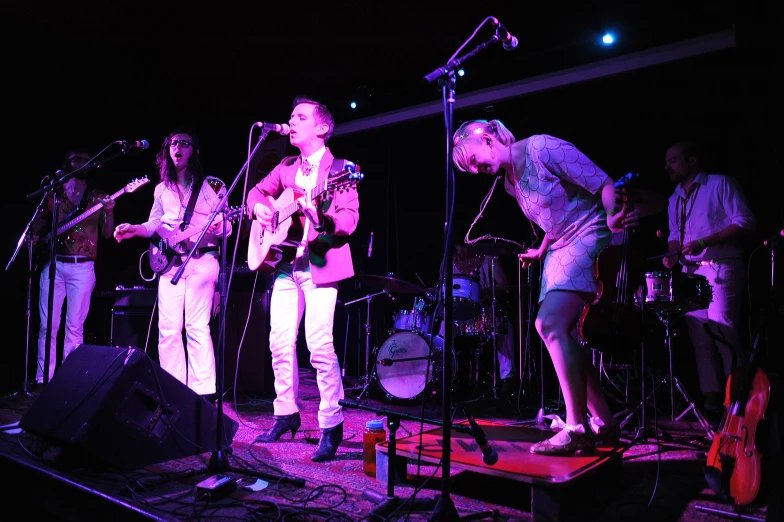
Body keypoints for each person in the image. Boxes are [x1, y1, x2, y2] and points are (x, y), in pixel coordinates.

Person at [452, 120, 639, 455]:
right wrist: (541, 249)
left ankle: (577, 427)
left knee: (549, 324)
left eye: (476, 161)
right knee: (559, 333)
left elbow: (603, 184)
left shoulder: (542, 148)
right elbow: (553, 217)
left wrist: (613, 214)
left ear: (488, 138)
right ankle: (606, 424)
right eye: (473, 169)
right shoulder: (510, 184)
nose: (479, 170)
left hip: (592, 228)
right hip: (559, 246)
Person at [246, 96, 359, 462]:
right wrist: (261, 207)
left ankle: (331, 423)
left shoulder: (340, 169)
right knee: (279, 342)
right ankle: (285, 413)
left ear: (322, 127)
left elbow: (349, 219)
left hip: (320, 265)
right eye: (291, 116)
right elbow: (256, 193)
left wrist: (321, 219)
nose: (291, 121)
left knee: (319, 345)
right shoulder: (285, 166)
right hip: (284, 266)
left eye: (300, 117)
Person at [113, 130, 230, 401]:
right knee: (168, 330)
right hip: (170, 265)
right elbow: (155, 224)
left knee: (197, 327)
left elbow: (229, 225)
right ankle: (173, 390)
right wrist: (135, 229)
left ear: (195, 151)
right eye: (173, 143)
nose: (177, 147)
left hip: (202, 261)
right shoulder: (161, 188)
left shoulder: (212, 185)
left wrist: (220, 226)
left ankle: (202, 395)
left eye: (184, 143)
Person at [661, 141, 755, 419]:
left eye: (673, 160)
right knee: (700, 337)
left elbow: (745, 221)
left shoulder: (720, 184)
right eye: (666, 162)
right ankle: (712, 402)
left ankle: (739, 402)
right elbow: (674, 237)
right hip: (691, 272)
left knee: (723, 333)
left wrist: (703, 241)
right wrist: (672, 255)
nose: (667, 166)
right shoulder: (674, 197)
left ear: (692, 161)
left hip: (720, 266)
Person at [32, 149, 116, 385]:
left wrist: (109, 213)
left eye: (83, 160)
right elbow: (37, 225)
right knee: (47, 326)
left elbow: (108, 234)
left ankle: (68, 382)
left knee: (74, 328)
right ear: (67, 164)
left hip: (83, 268)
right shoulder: (54, 193)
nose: (78, 163)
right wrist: (34, 237)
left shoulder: (97, 197)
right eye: (74, 159)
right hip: (54, 265)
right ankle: (43, 380)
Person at [441, 244, 518, 400]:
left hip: (484, 309)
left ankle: (508, 377)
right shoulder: (447, 262)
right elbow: (441, 287)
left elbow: (504, 284)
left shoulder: (487, 257)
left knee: (503, 325)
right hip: (456, 313)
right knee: (442, 327)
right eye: (458, 246)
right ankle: (445, 376)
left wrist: (487, 292)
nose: (461, 249)